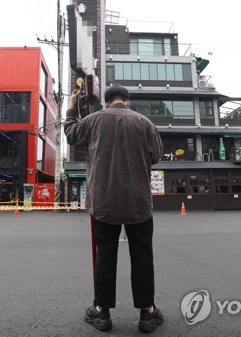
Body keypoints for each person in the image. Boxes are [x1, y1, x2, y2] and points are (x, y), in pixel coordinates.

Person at [64, 84, 164, 333]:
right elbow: (157, 155)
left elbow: (71, 135)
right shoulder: (145, 123)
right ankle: (147, 313)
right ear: (127, 101)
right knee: (142, 256)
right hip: (138, 202)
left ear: (107, 102)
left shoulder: (93, 120)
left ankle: (101, 312)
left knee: (105, 255)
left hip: (103, 201)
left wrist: (70, 108)